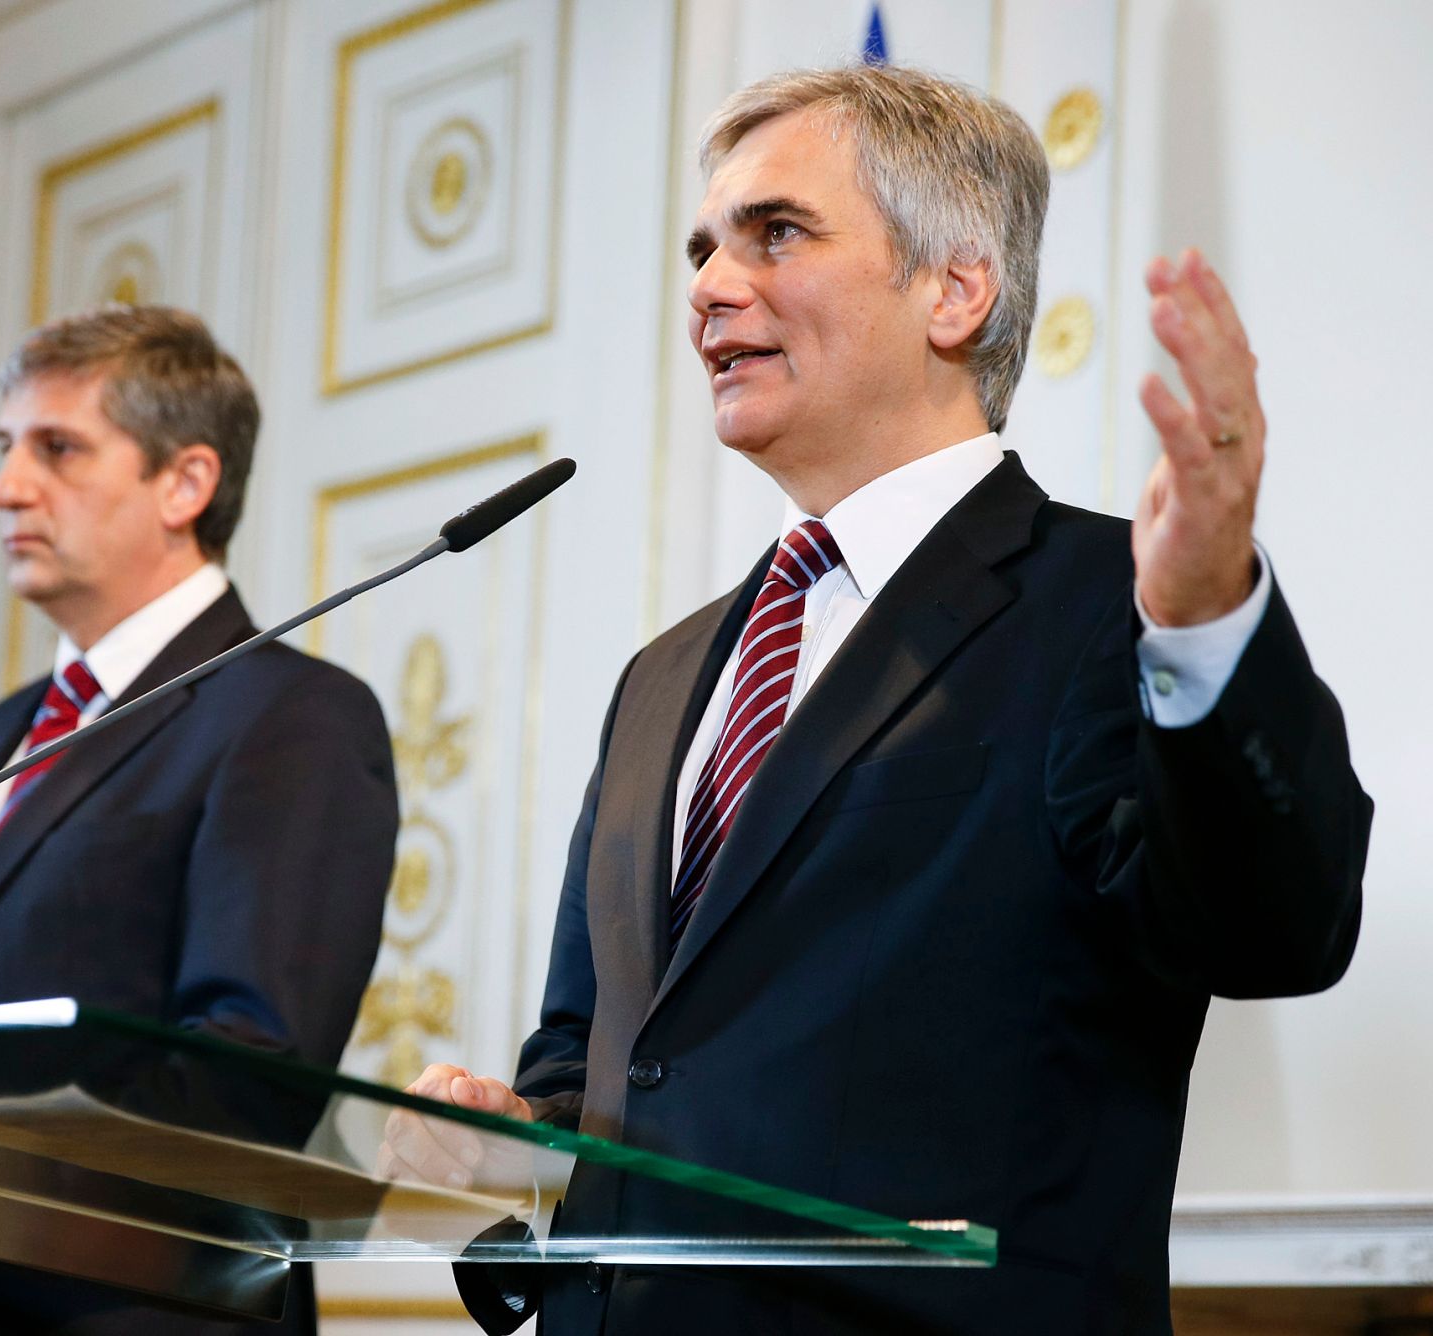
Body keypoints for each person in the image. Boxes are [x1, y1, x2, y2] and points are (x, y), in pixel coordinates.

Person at [387, 65, 1371, 1334]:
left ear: (954, 289)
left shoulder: (1100, 601)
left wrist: (1203, 620)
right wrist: (509, 1139)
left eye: (775, 233)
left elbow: (1272, 928)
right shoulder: (662, 678)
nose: (705, 286)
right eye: (702, 248)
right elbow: (597, 1069)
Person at [0, 306, 399, 1334]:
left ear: (183, 484)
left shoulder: (291, 717)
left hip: (129, 1309)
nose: (6, 486)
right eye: (8, 448)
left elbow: (249, 1071)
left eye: (57, 449)